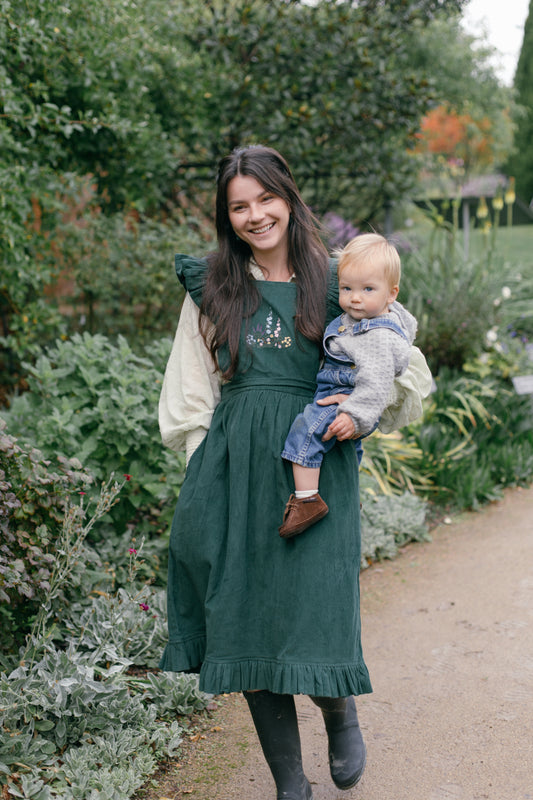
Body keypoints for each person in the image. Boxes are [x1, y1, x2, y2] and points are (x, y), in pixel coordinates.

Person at [158, 145, 430, 800]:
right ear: (227, 216)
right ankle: (289, 784)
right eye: (238, 206)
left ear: (288, 197)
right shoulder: (213, 286)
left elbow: (405, 369)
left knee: (316, 608)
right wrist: (205, 471)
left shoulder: (342, 278)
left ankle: (340, 716)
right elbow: (189, 390)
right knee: (245, 618)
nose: (255, 215)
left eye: (264, 199)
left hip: (316, 467)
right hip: (235, 471)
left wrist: (363, 411)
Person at [279, 233, 417, 538]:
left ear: (391, 293)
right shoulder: (372, 315)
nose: (355, 297)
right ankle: (347, 497)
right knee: (348, 453)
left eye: (368, 289)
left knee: (306, 432)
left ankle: (307, 501)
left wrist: (353, 414)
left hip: (345, 401)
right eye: (347, 288)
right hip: (346, 397)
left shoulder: (377, 335)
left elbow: (376, 383)